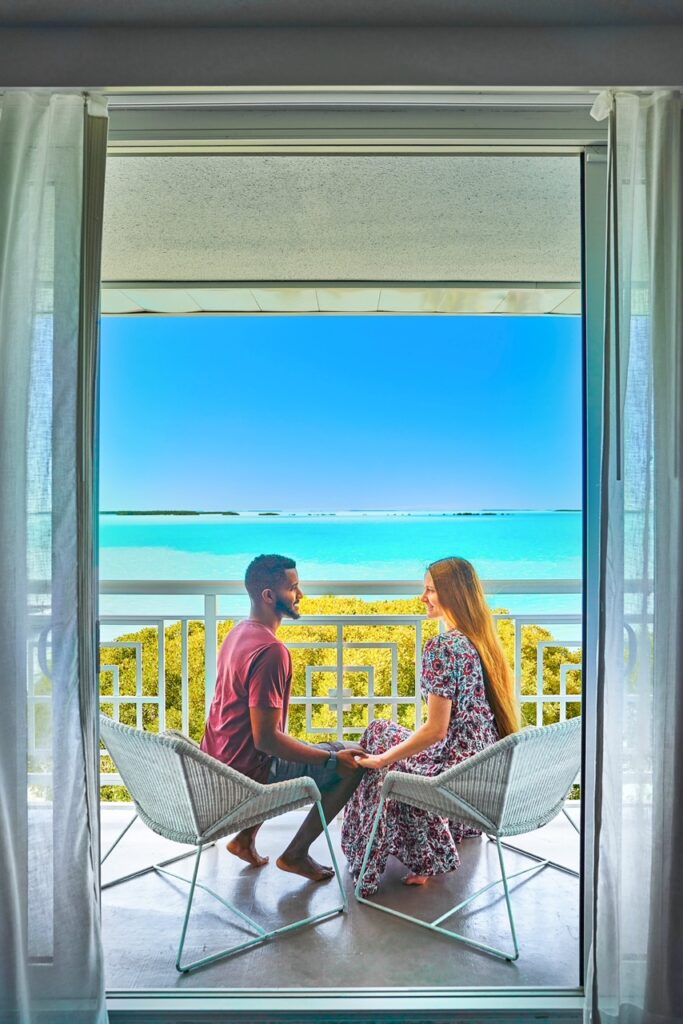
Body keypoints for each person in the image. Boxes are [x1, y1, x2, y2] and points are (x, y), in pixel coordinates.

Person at [341, 556, 520, 896]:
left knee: (382, 758)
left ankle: (404, 853)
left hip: (452, 770)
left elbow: (436, 730)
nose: (423, 598)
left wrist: (382, 760)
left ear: (453, 594)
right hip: (480, 766)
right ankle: (426, 838)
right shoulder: (483, 641)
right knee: (380, 730)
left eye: (430, 590)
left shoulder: (443, 647)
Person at [201, 553, 364, 882]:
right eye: (293, 588)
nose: (300, 595)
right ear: (268, 596)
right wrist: (332, 761)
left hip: (218, 761)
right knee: (352, 762)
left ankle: (244, 840)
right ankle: (296, 855)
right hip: (249, 774)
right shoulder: (272, 651)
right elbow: (267, 740)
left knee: (322, 748)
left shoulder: (237, 634)